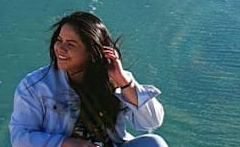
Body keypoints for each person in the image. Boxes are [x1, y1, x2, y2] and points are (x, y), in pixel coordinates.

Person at [9, 11, 168, 147]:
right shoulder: (36, 85)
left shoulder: (116, 79)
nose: (60, 49)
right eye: (59, 40)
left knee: (154, 143)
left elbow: (152, 122)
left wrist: (123, 81)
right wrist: (65, 143)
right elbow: (20, 137)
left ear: (91, 52)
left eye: (70, 44)